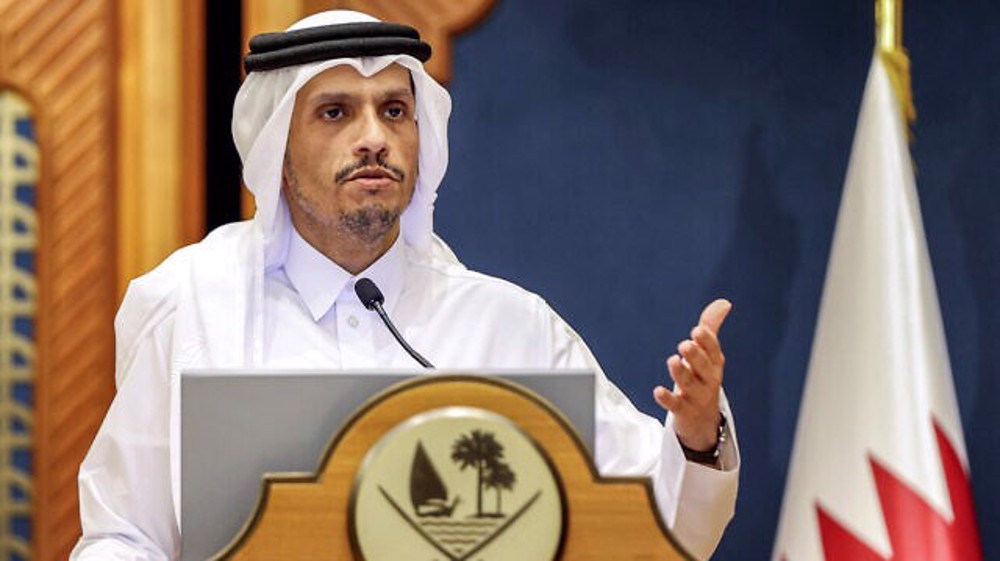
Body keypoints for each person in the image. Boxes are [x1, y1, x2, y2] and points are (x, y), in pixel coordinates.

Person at [71, 10, 740, 561]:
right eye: (335, 113)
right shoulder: (188, 307)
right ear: (277, 149)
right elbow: (124, 535)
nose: (373, 138)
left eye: (394, 111)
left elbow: (660, 528)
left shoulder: (510, 326)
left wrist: (697, 435)